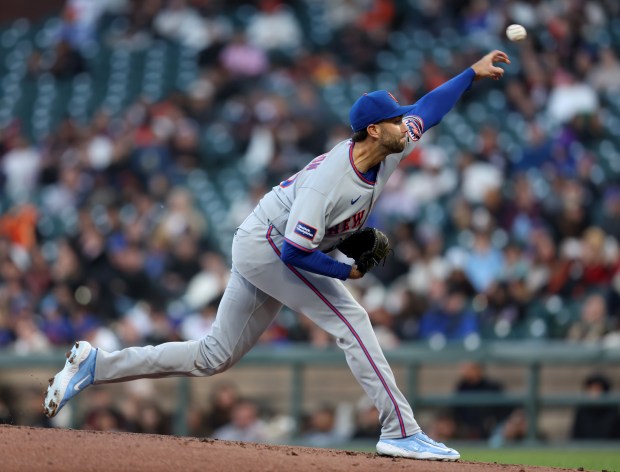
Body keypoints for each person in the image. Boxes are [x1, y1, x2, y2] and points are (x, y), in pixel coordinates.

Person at [43, 49, 510, 461]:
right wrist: (344, 269)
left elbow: (429, 108)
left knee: (213, 357)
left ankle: (96, 364)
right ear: (373, 129)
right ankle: (401, 430)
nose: (405, 124)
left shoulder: (390, 144)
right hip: (270, 244)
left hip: (269, 239)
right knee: (352, 320)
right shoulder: (329, 181)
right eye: (394, 119)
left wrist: (471, 72)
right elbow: (294, 252)